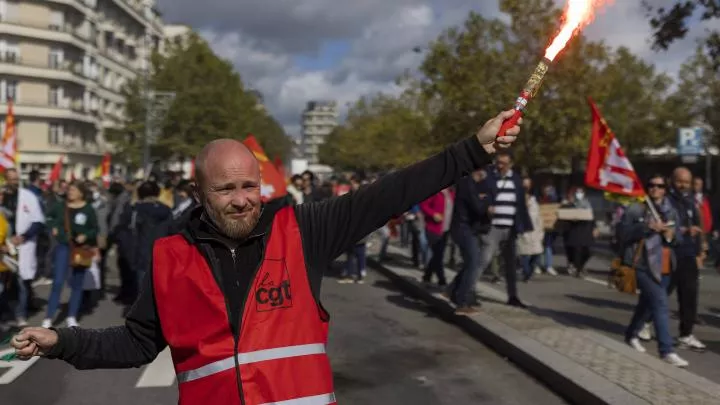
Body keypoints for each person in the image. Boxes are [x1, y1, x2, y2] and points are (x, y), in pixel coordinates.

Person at [10, 111, 520, 405]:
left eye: (249, 185)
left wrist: (473, 150)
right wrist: (62, 341)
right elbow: (139, 341)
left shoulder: (303, 231)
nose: (242, 199)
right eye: (226, 188)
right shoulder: (170, 255)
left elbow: (388, 194)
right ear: (198, 192)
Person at [621, 175, 688, 367]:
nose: (655, 189)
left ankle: (631, 334)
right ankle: (666, 350)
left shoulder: (671, 212)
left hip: (665, 264)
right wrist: (647, 227)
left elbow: (678, 240)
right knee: (660, 302)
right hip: (641, 263)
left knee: (647, 304)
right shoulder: (635, 208)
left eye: (660, 186)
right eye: (651, 185)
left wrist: (670, 235)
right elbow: (623, 234)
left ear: (665, 189)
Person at [476, 151, 532, 307]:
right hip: (492, 227)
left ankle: (512, 296)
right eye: (498, 162)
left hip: (510, 228)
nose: (500, 166)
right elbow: (478, 195)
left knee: (510, 264)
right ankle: (468, 291)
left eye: (504, 163)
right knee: (484, 260)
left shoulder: (516, 180)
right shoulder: (488, 178)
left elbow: (520, 205)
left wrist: (523, 225)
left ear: (510, 164)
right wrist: (486, 206)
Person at [43, 181, 98, 328]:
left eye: (73, 190)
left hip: (80, 250)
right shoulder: (60, 206)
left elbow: (95, 229)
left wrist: (86, 235)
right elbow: (48, 217)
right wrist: (53, 227)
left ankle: (72, 316)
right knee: (58, 282)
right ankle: (49, 317)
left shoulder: (88, 209)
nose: (70, 192)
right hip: (63, 247)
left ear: (81, 192)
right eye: (69, 190)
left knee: (77, 284)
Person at [667, 167, 706, 351]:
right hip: (671, 253)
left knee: (689, 296)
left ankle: (686, 334)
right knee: (662, 293)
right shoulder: (667, 201)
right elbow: (666, 225)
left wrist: (700, 251)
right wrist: (683, 231)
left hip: (689, 255)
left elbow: (698, 227)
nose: (683, 185)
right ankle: (644, 322)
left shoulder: (691, 202)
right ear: (672, 181)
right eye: (679, 181)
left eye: (687, 182)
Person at [3, 168, 45, 327]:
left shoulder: (28, 196)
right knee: (4, 282)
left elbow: (38, 221)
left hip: (22, 245)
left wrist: (23, 237)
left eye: (16, 179)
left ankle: (21, 314)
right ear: (6, 179)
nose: (14, 182)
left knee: (22, 282)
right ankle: (6, 314)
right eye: (11, 179)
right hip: (4, 247)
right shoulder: (2, 196)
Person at [447, 168, 490, 313]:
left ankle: (453, 291)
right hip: (463, 228)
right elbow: (478, 208)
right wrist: (486, 200)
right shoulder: (468, 184)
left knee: (470, 263)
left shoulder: (466, 183)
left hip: (462, 227)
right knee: (473, 263)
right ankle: (462, 301)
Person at [559, 186, 597, 277]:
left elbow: (591, 217)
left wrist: (595, 228)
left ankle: (579, 266)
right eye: (577, 193)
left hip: (586, 231)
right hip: (574, 232)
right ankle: (578, 269)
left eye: (581, 192)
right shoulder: (569, 205)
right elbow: (563, 217)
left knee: (588, 252)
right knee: (577, 252)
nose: (579, 195)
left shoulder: (587, 205)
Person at [420, 187, 455, 286]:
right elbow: (423, 205)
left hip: (445, 229)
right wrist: (433, 214)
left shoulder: (452, 193)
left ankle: (427, 276)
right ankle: (442, 280)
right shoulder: (435, 191)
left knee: (437, 255)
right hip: (433, 228)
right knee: (438, 255)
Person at [517, 176, 544, 282]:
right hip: (523, 233)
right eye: (524, 184)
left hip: (535, 233)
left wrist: (541, 231)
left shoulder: (534, 201)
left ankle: (529, 271)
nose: (526, 186)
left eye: (528, 184)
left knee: (536, 255)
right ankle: (526, 273)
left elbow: (539, 217)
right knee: (525, 255)